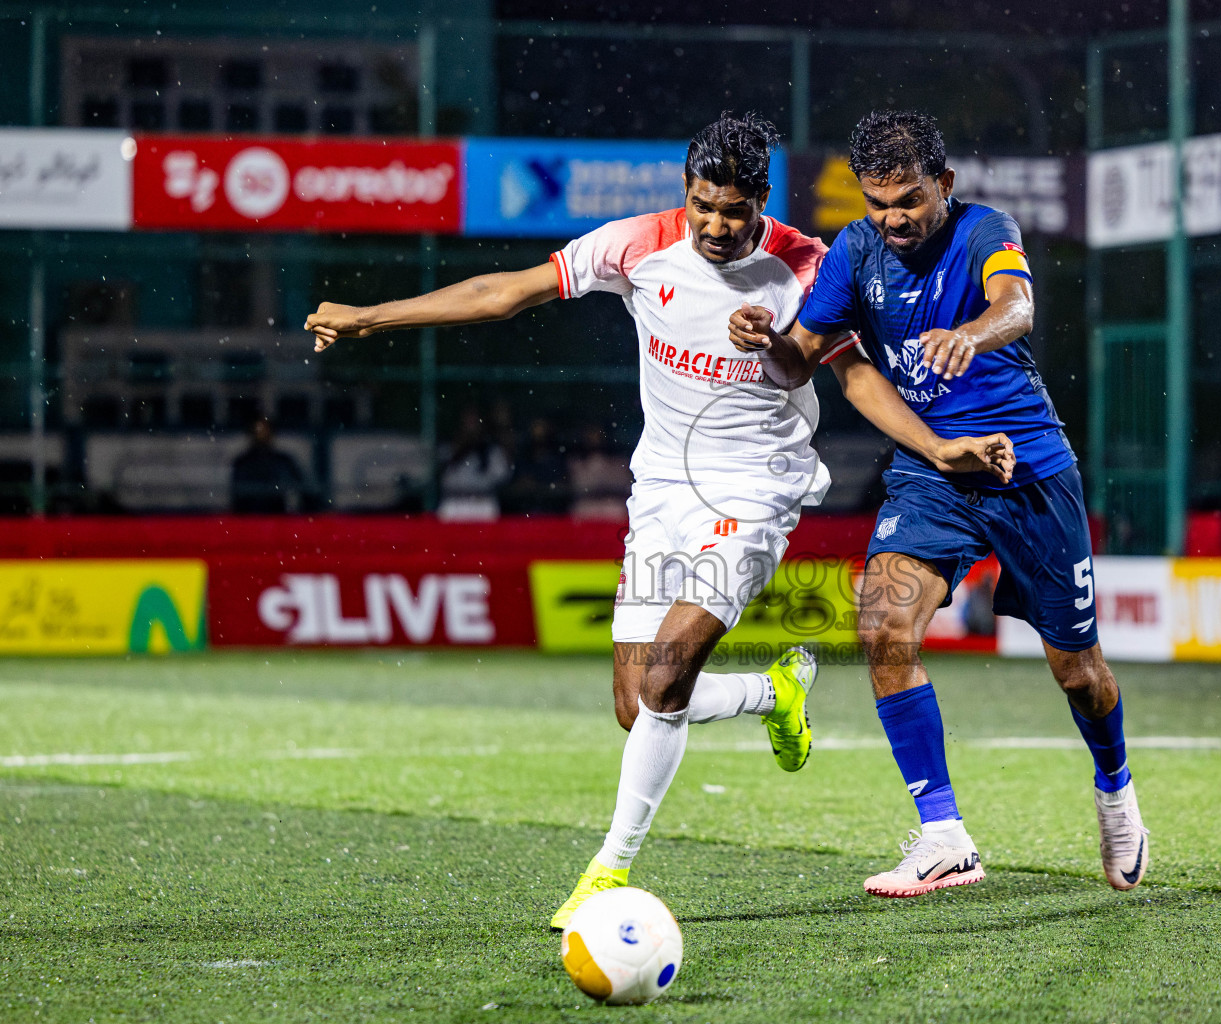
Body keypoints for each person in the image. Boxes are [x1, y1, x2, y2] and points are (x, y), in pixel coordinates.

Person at [303, 112, 1012, 927]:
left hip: (753, 491)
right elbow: (502, 294)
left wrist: (940, 447)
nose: (716, 225)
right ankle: (770, 690)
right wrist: (370, 317)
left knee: (668, 672)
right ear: (686, 191)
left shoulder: (808, 267)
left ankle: (609, 870)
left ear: (762, 201)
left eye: (734, 210)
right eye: (703, 205)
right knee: (636, 705)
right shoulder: (637, 243)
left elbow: (856, 380)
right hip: (660, 494)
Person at [728, 109, 1147, 896]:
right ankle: (945, 834)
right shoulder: (855, 253)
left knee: (1079, 672)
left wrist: (975, 335)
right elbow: (801, 363)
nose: (892, 218)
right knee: (881, 624)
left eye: (909, 200)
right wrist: (767, 340)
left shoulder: (987, 228)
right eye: (877, 201)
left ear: (944, 185)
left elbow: (1017, 306)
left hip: (1029, 474)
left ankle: (1115, 789)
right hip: (933, 475)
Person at [230, 417, 306, 513]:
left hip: (278, 516)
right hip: (249, 516)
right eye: (257, 431)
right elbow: (238, 493)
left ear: (271, 433)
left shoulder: (283, 461)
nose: (261, 435)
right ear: (250, 434)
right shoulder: (242, 462)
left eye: (265, 431)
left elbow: (299, 488)